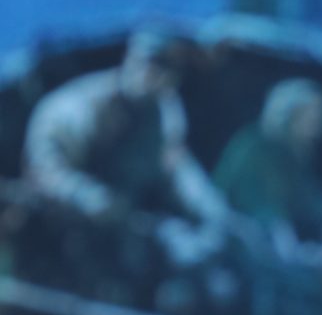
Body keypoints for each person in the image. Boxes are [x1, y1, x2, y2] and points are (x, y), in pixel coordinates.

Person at [22, 25, 233, 267]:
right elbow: (45, 172)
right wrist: (88, 196)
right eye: (155, 64)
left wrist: (212, 210)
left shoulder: (164, 113)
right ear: (132, 58)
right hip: (53, 238)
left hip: (118, 240)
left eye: (174, 71)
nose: (163, 78)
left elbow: (177, 166)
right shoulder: (73, 108)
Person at [213, 76, 322, 248]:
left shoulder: (292, 155)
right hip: (229, 236)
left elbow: (309, 198)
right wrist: (285, 242)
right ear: (290, 116)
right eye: (312, 117)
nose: (319, 127)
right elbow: (259, 204)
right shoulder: (255, 146)